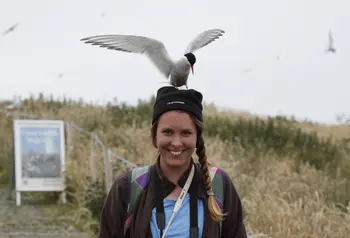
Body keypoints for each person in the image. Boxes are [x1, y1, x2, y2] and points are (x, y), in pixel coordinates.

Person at [98, 86, 248, 238]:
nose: (176, 143)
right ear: (154, 136)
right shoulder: (129, 187)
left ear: (197, 138)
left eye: (186, 133)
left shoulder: (219, 185)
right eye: (168, 132)